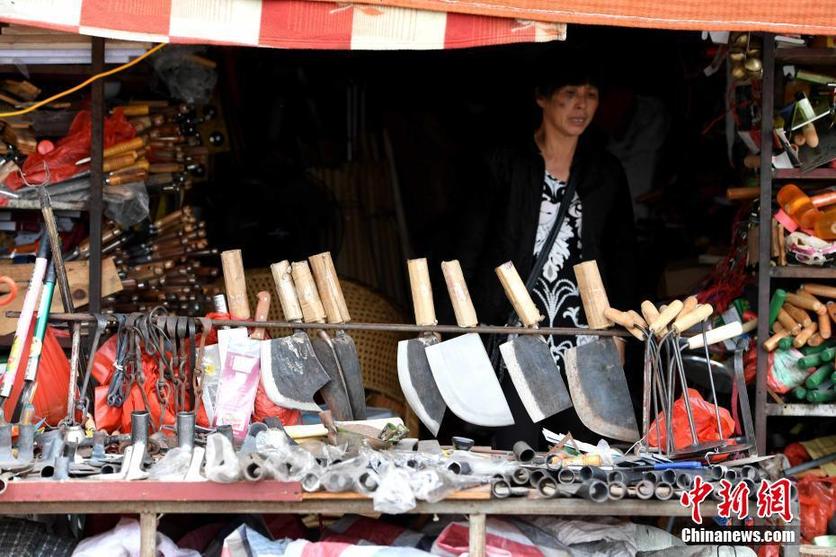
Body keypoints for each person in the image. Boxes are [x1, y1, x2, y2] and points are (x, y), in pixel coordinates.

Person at [440, 50, 637, 450]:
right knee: (518, 446)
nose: (581, 105)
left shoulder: (605, 173)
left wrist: (620, 331)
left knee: (587, 452)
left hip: (584, 338)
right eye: (569, 93)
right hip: (518, 334)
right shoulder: (503, 164)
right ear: (542, 98)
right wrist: (461, 332)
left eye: (591, 94)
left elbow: (622, 259)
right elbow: (469, 250)